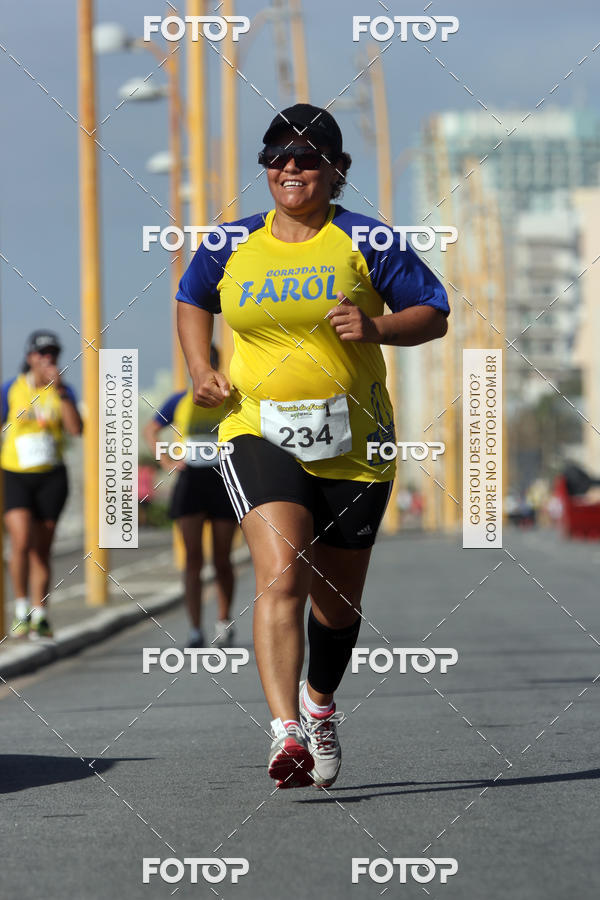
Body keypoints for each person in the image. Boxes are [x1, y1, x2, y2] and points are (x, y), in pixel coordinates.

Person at [176, 104, 449, 788]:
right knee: (282, 572)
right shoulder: (229, 243)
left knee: (336, 603)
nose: (291, 168)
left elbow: (435, 314)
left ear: (334, 170)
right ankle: (286, 732)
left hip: (356, 442)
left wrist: (379, 327)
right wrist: (201, 369)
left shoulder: (370, 242)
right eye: (278, 157)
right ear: (265, 168)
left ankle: (320, 703)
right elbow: (190, 298)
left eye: (306, 157)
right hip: (256, 429)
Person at [143, 345, 237, 648]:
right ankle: (195, 629)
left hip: (222, 478)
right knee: (193, 559)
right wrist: (167, 462)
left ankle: (224, 620)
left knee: (222, 558)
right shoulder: (180, 400)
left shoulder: (229, 397)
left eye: (211, 362)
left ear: (218, 365)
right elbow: (150, 430)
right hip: (191, 480)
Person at [1, 331, 82, 638]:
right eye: (42, 354)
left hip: (51, 476)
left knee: (42, 549)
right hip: (15, 473)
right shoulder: (12, 388)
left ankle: (41, 614)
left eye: (53, 354)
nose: (48, 359)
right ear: (30, 358)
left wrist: (60, 391)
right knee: (20, 542)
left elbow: (76, 429)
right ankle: (21, 609)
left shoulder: (63, 391)